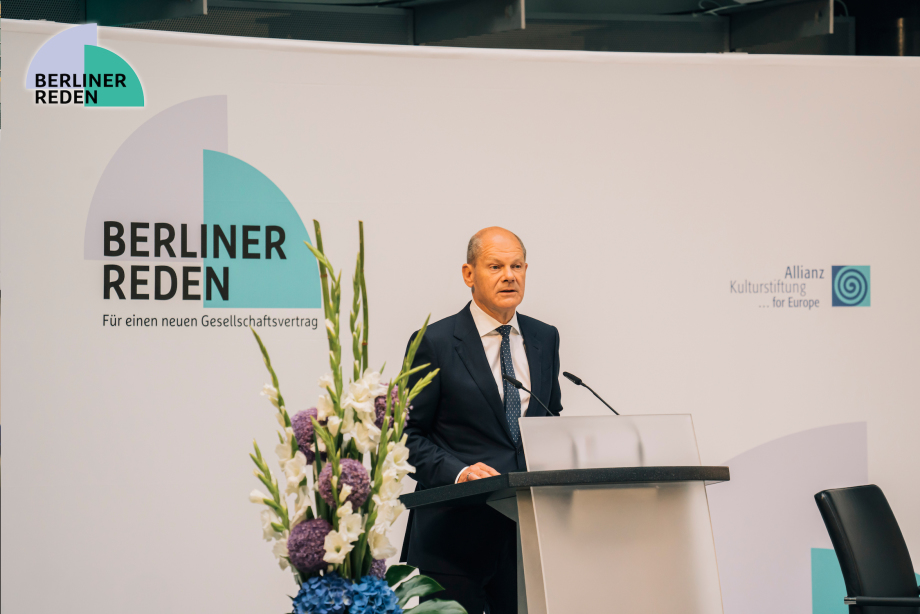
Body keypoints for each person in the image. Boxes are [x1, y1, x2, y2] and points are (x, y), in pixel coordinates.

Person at [400, 226, 563, 614]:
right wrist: (459, 473)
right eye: (495, 266)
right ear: (469, 274)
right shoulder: (434, 342)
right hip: (453, 540)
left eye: (516, 266)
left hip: (525, 539)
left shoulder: (545, 337)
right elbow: (406, 435)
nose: (509, 276)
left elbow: (550, 418)